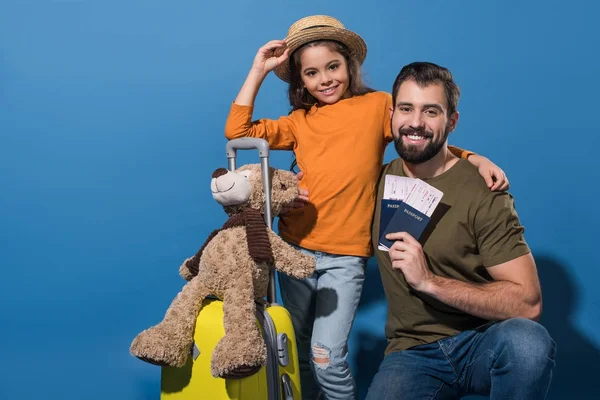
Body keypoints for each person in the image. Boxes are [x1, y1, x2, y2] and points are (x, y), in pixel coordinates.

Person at [225, 15, 508, 400]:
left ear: (349, 66)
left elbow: (420, 132)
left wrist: (473, 157)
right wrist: (258, 70)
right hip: (295, 250)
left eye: (333, 67)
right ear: (300, 81)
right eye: (311, 73)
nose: (325, 79)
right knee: (298, 350)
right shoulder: (299, 122)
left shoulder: (377, 107)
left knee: (326, 355)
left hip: (345, 259)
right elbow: (238, 132)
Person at [366, 61, 556, 400]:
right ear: (392, 115)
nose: (415, 123)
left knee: (527, 341)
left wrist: (428, 282)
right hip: (411, 353)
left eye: (431, 112)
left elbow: (528, 303)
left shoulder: (484, 190)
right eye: (406, 109)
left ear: (452, 121)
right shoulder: (371, 182)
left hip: (482, 342)